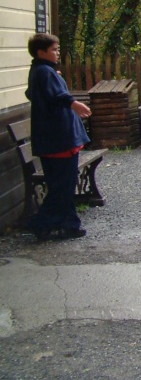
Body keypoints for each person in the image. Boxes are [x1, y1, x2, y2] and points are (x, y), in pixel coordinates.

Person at [24, 33, 92, 241]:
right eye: (53, 50)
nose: (57, 52)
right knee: (62, 187)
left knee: (63, 185)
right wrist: (74, 104)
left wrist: (56, 77)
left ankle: (70, 224)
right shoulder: (45, 72)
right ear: (41, 52)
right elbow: (58, 96)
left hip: (53, 140)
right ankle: (40, 223)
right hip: (58, 140)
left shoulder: (41, 71)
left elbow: (31, 93)